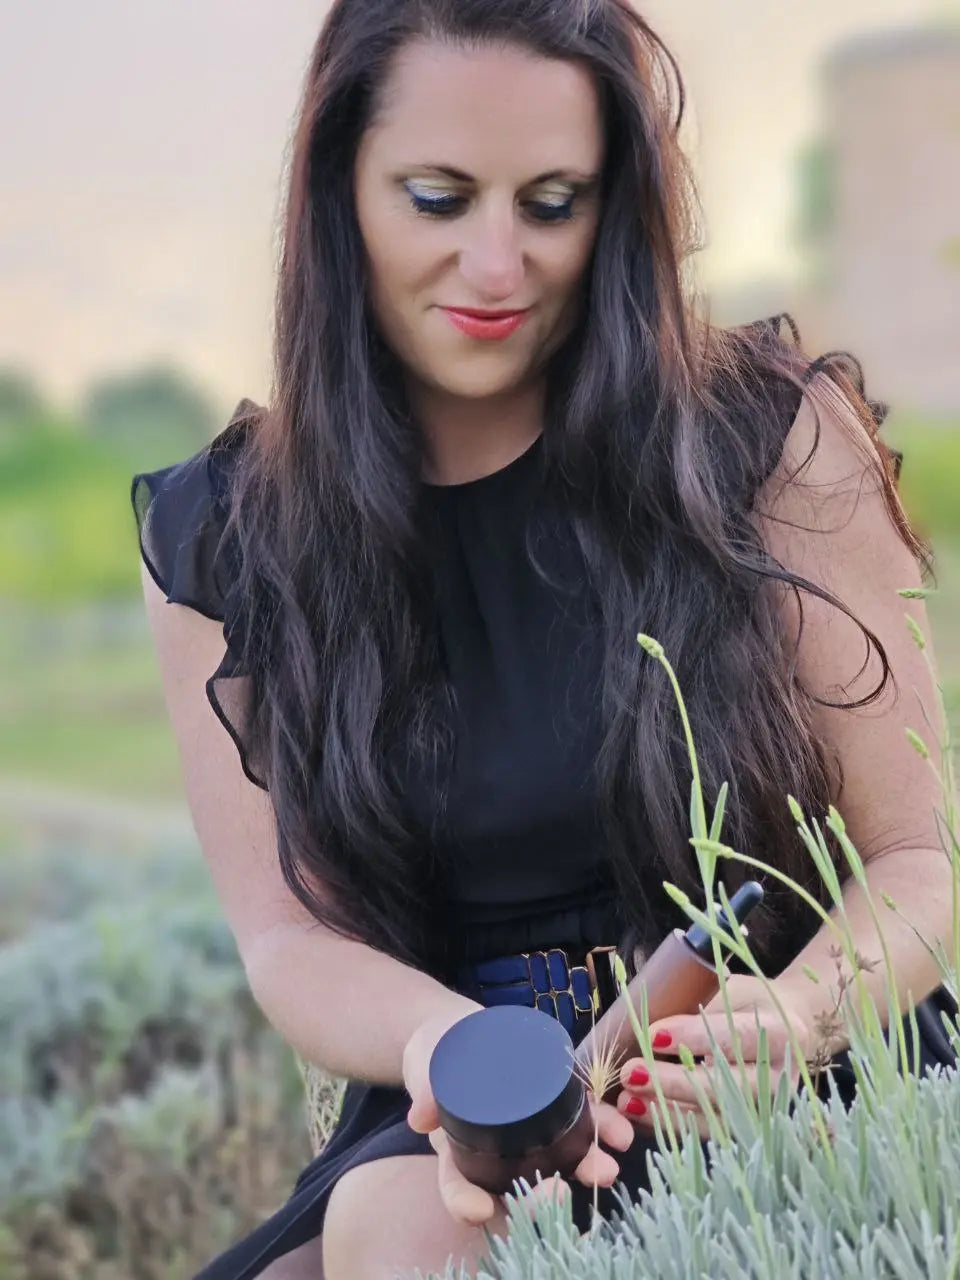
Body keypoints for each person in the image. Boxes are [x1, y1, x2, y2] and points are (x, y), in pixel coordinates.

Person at [130, 1, 957, 1277]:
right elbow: (292, 940)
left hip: (797, 1074)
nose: (498, 264)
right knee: (402, 1229)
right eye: (438, 199)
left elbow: (916, 860)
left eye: (553, 203)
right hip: (465, 1106)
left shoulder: (771, 437)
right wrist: (453, 1053)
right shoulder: (224, 533)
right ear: (339, 190)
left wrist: (799, 1012)